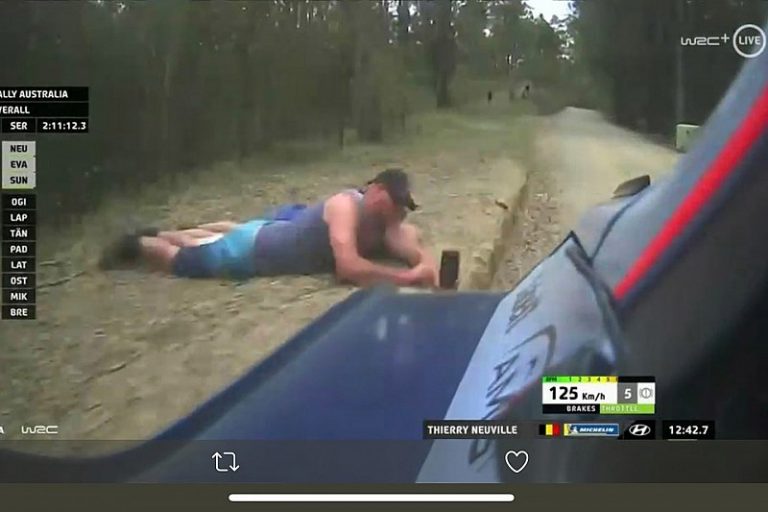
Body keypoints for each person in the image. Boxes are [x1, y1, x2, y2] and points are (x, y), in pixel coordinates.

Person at [100, 168, 439, 288]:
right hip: (253, 252)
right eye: (394, 201)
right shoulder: (345, 205)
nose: (398, 211)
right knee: (182, 259)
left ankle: (157, 233)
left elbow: (411, 246)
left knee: (217, 235)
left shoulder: (386, 222)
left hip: (270, 232)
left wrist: (424, 264)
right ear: (376, 190)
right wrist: (407, 277)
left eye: (402, 206)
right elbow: (348, 268)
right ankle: (136, 245)